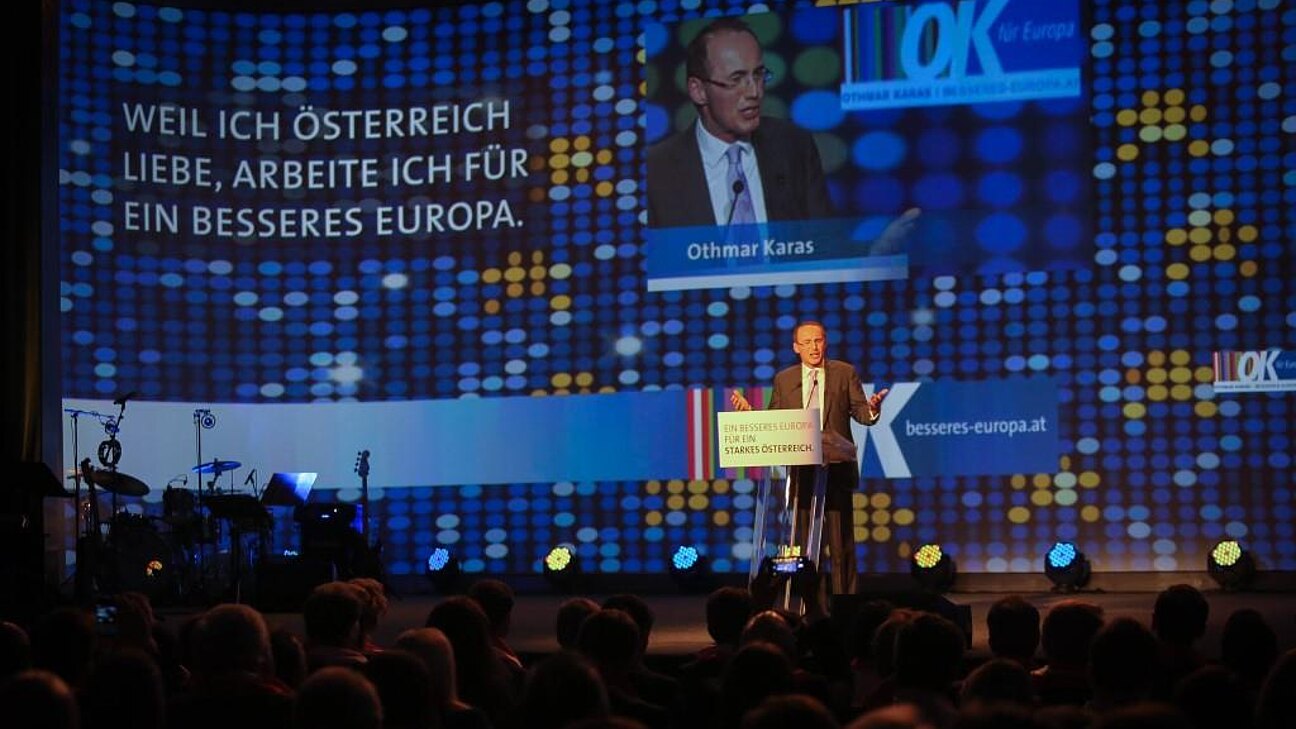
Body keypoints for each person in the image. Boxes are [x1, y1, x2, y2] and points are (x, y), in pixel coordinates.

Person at [646, 18, 920, 244]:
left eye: (758, 75)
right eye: (737, 79)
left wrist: (874, 257)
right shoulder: (656, 170)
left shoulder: (793, 146)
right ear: (698, 91)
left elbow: (826, 248)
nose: (754, 92)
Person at [730, 320, 888, 595]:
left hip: (836, 471)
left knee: (841, 546)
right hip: (802, 473)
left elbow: (862, 414)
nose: (814, 347)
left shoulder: (844, 372)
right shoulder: (784, 379)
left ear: (825, 342)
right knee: (806, 549)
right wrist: (750, 416)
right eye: (807, 342)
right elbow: (776, 422)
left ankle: (845, 604)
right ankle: (813, 605)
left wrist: (873, 408)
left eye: (818, 340)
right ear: (796, 348)